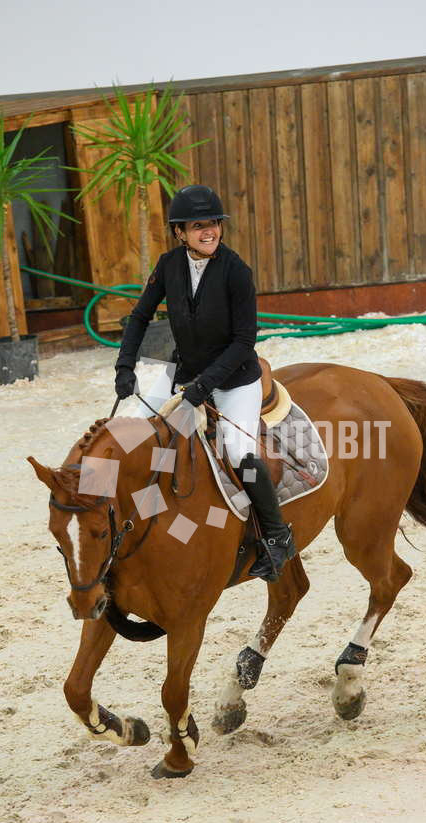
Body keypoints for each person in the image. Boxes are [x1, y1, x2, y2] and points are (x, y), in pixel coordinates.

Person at [114, 184, 296, 582]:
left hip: (234, 381)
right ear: (180, 232)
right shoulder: (168, 265)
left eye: (213, 223)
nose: (208, 231)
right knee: (133, 434)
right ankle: (131, 523)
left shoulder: (236, 271)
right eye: (198, 226)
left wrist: (203, 386)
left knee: (239, 453)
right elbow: (140, 316)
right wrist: (125, 367)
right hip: (185, 374)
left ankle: (277, 535)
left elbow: (244, 341)